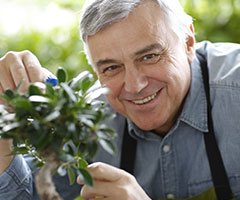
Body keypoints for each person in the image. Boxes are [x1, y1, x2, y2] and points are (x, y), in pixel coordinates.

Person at [0, 0, 240, 199]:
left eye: (149, 56)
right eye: (112, 68)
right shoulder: (87, 119)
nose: (135, 86)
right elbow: (24, 193)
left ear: (188, 43)